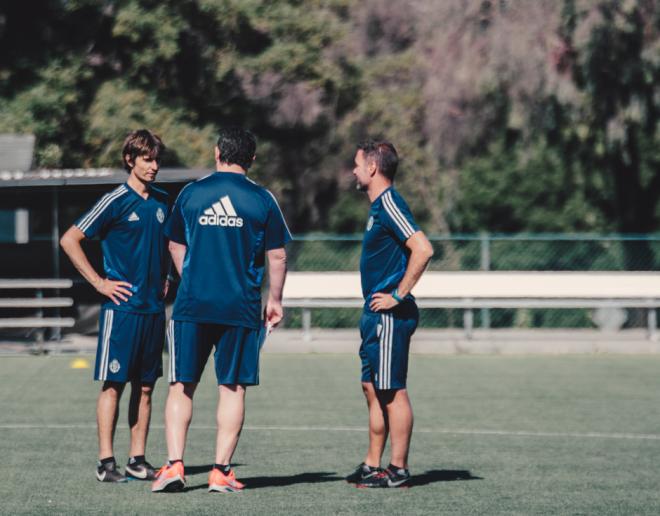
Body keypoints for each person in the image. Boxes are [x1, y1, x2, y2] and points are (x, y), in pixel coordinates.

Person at [152, 126, 290, 494]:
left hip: (192, 305)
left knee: (182, 385)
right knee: (232, 388)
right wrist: (274, 300)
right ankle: (220, 472)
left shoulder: (191, 193)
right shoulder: (262, 199)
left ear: (217, 153)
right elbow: (277, 255)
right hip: (240, 307)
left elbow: (175, 246)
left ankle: (174, 467)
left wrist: (193, 277)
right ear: (252, 159)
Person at [60, 129, 170, 483]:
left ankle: (137, 460)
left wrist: (167, 276)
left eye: (156, 159)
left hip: (153, 310)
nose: (153, 166)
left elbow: (166, 246)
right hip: (121, 311)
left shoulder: (162, 202)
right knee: (114, 384)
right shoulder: (114, 200)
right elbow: (70, 239)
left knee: (147, 387)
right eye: (147, 159)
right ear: (130, 160)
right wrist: (99, 283)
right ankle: (106, 463)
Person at [345, 140, 434, 488]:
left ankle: (398, 469)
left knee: (391, 390)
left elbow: (423, 249)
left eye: (356, 164)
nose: (353, 170)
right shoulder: (377, 208)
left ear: (372, 168)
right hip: (374, 315)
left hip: (388, 316)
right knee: (371, 387)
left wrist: (398, 295)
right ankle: (372, 464)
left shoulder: (390, 203)